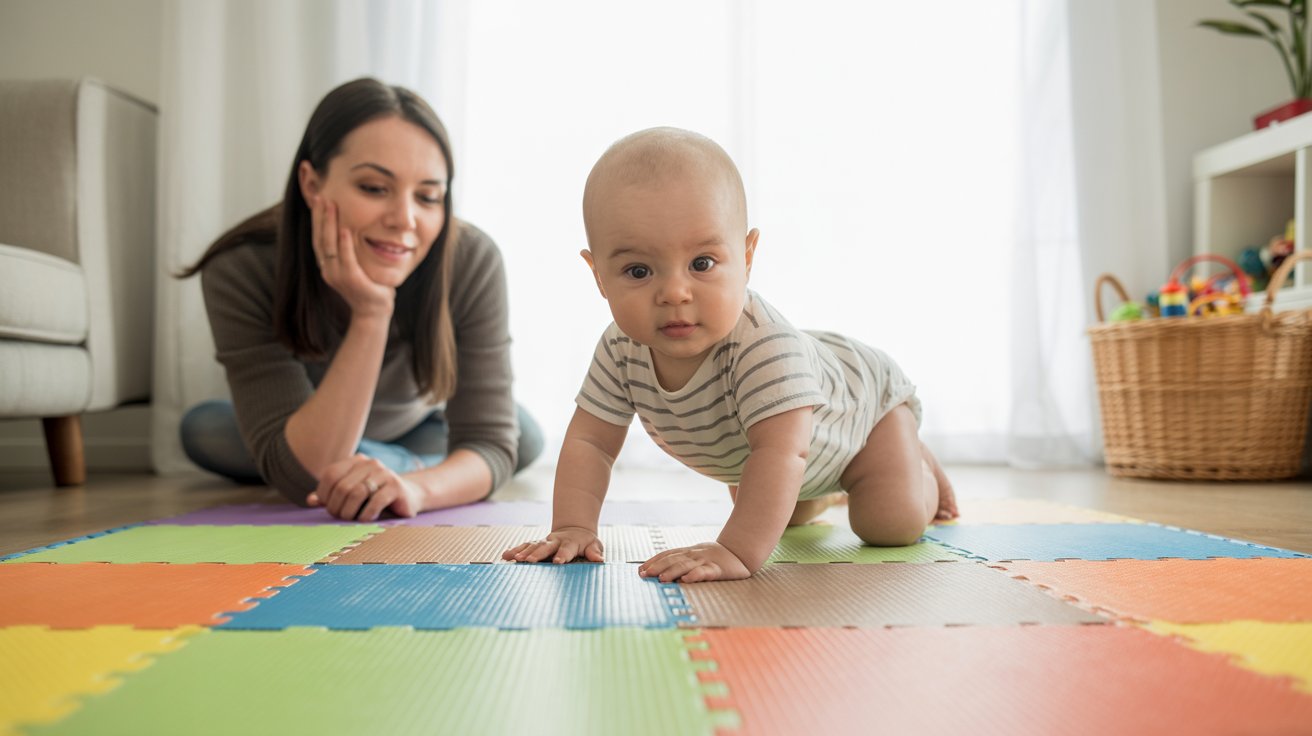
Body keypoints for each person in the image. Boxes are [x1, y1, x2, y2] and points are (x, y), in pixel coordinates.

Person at [503, 127, 956, 582]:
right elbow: (591, 442)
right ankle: (824, 492)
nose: (675, 293)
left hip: (864, 412)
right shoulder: (621, 347)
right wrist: (573, 527)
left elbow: (781, 454)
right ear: (599, 276)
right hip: (793, 452)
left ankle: (915, 464)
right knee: (782, 511)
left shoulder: (764, 347)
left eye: (701, 264)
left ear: (746, 255)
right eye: (638, 270)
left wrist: (735, 551)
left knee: (888, 523)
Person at [179, 78, 542, 522]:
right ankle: (382, 465)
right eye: (373, 188)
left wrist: (414, 489)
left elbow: (490, 442)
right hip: (309, 427)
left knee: (523, 435)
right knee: (204, 430)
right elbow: (302, 475)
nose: (404, 220)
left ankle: (383, 466)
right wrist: (371, 313)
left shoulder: (471, 258)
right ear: (312, 184)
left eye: (428, 196)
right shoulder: (242, 266)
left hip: (416, 427)